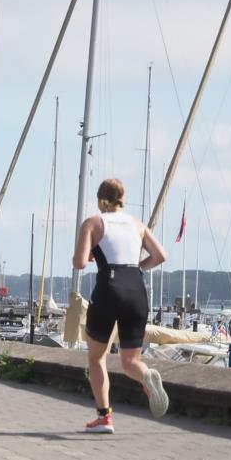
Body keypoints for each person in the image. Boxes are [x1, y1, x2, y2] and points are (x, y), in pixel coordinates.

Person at [72, 178, 169, 433]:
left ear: (100, 200)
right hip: (136, 288)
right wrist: (139, 268)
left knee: (97, 357)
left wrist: (89, 251)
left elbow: (80, 263)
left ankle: (104, 418)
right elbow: (160, 255)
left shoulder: (93, 223)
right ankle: (146, 375)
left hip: (109, 288)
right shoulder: (137, 224)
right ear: (122, 199)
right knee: (130, 361)